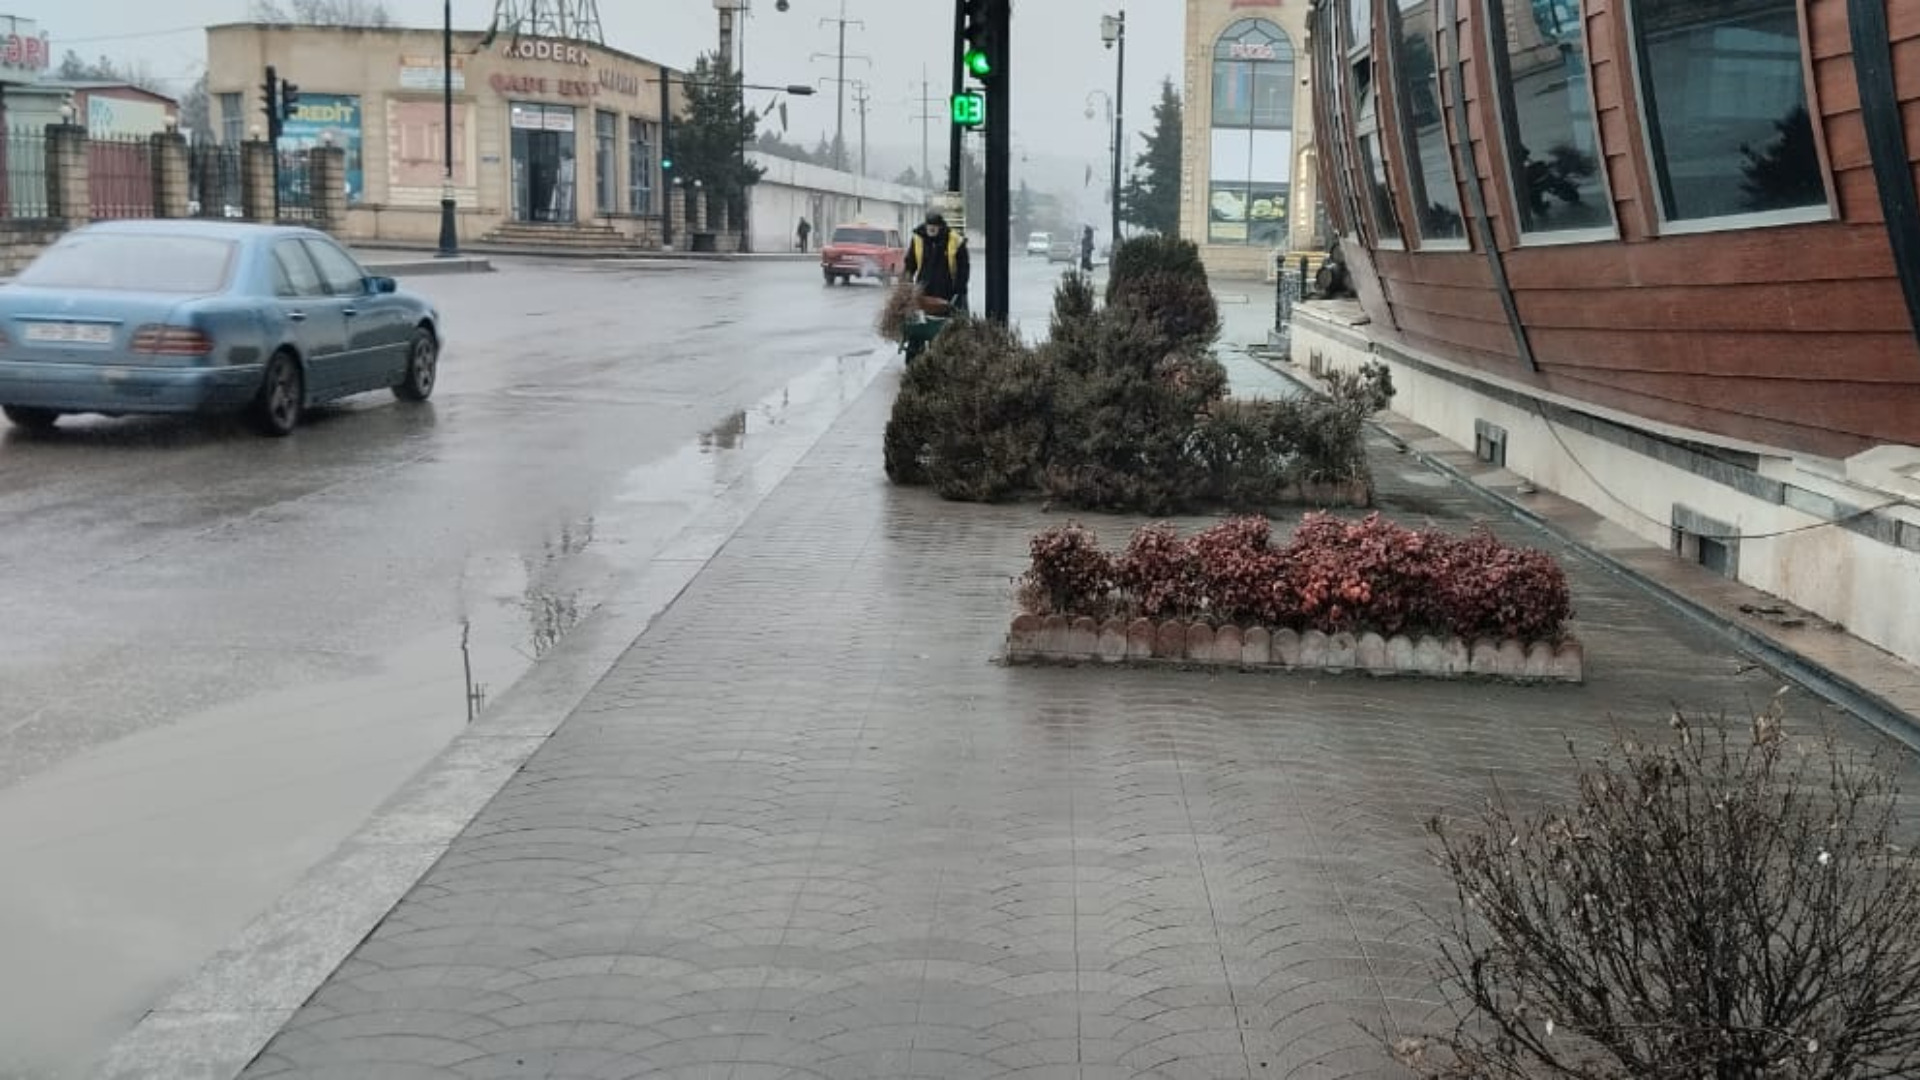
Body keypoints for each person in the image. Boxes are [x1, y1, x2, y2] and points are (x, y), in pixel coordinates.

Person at [904, 211, 970, 310]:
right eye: (929, 226)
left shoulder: (955, 240)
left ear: (941, 226)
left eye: (935, 226)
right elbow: (910, 264)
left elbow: (963, 268)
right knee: (922, 316)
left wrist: (959, 289)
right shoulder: (918, 239)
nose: (932, 229)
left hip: (947, 290)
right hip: (923, 290)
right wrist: (907, 283)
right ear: (925, 225)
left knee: (948, 316)